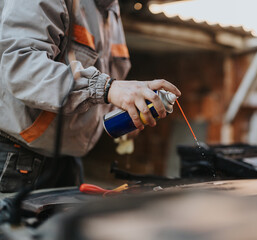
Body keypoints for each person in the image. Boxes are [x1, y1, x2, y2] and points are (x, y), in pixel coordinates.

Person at [0, 0, 181, 192]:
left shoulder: (111, 10)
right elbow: (22, 69)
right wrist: (106, 88)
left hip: (69, 160)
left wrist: (123, 109)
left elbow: (104, 90)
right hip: (17, 157)